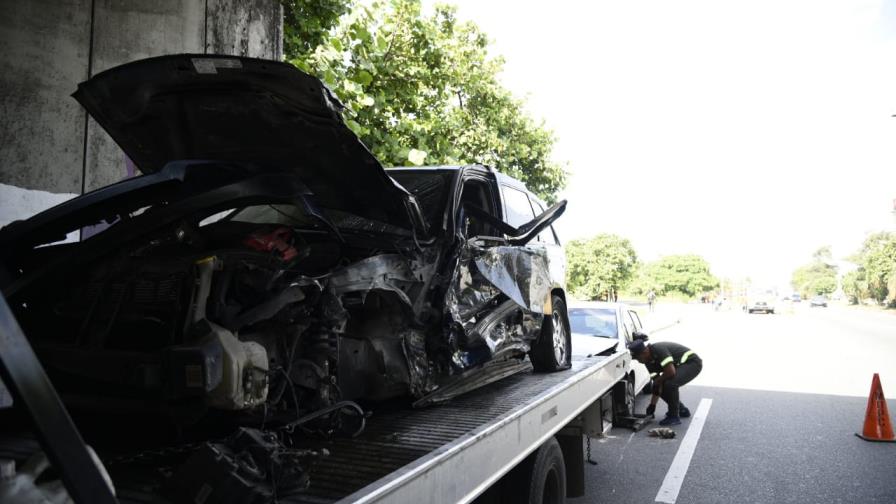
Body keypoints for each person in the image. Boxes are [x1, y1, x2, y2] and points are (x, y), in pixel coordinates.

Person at [627, 340, 702, 426]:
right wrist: (652, 405)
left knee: (670, 384)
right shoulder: (648, 362)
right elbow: (657, 385)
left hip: (692, 363)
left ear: (645, 352)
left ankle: (674, 416)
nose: (638, 361)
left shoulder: (658, 350)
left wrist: (658, 380)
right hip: (680, 366)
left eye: (638, 358)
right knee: (660, 385)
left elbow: (671, 372)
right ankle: (681, 409)